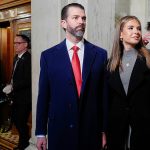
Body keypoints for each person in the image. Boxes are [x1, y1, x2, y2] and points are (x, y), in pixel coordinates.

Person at [35, 3, 107, 150]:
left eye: (84, 18)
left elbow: (103, 97)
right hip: (59, 130)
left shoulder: (100, 54)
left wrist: (104, 130)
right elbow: (43, 96)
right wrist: (40, 132)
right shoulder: (48, 56)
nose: (81, 21)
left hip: (90, 130)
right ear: (63, 23)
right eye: (76, 17)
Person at [106, 16, 150, 150]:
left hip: (144, 126)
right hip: (117, 127)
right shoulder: (109, 63)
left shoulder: (148, 59)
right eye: (130, 28)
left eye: (138, 28)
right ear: (120, 34)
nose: (136, 31)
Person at [3, 34, 31, 150]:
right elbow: (14, 76)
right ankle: (23, 142)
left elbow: (28, 80)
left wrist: (13, 87)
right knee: (16, 119)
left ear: (25, 45)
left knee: (21, 122)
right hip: (15, 96)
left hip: (24, 97)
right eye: (14, 43)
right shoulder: (16, 57)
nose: (15, 45)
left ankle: (24, 144)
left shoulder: (28, 59)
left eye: (18, 43)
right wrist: (10, 85)